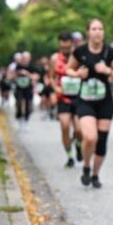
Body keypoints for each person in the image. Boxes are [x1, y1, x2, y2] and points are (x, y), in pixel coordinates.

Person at [67, 19, 113, 189]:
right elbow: (68, 69)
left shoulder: (110, 52)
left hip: (105, 102)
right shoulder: (80, 51)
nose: (98, 32)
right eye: (94, 29)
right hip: (85, 101)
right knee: (90, 137)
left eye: (100, 29)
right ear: (88, 32)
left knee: (101, 141)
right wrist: (78, 74)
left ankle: (95, 174)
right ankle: (86, 165)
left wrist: (107, 70)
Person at [49, 31, 83, 168]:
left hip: (79, 96)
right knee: (65, 126)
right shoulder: (54, 58)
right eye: (62, 47)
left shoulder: (79, 56)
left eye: (67, 47)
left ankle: (78, 145)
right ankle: (69, 156)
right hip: (63, 97)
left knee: (79, 130)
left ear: (71, 44)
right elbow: (51, 77)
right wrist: (55, 89)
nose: (65, 49)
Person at [14, 51, 41, 126]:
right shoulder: (18, 66)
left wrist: (27, 74)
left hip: (28, 88)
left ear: (29, 58)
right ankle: (19, 116)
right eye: (23, 57)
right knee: (19, 101)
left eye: (26, 58)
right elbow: (12, 76)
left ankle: (26, 118)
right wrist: (18, 73)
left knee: (28, 103)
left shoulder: (33, 67)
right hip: (19, 87)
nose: (24, 59)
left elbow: (36, 77)